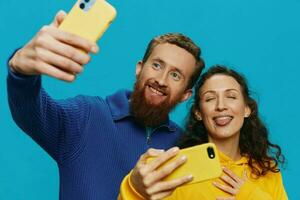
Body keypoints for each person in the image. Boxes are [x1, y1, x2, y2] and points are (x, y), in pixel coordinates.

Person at [6, 10, 205, 200]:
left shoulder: (184, 148)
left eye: (175, 75)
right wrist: (21, 72)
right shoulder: (87, 116)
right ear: (139, 68)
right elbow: (30, 111)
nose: (161, 80)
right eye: (157, 65)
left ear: (185, 95)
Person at [120, 65, 288, 200]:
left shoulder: (266, 170)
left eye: (231, 96)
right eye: (210, 98)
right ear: (198, 113)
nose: (221, 105)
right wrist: (133, 187)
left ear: (246, 109)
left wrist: (251, 195)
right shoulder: (177, 168)